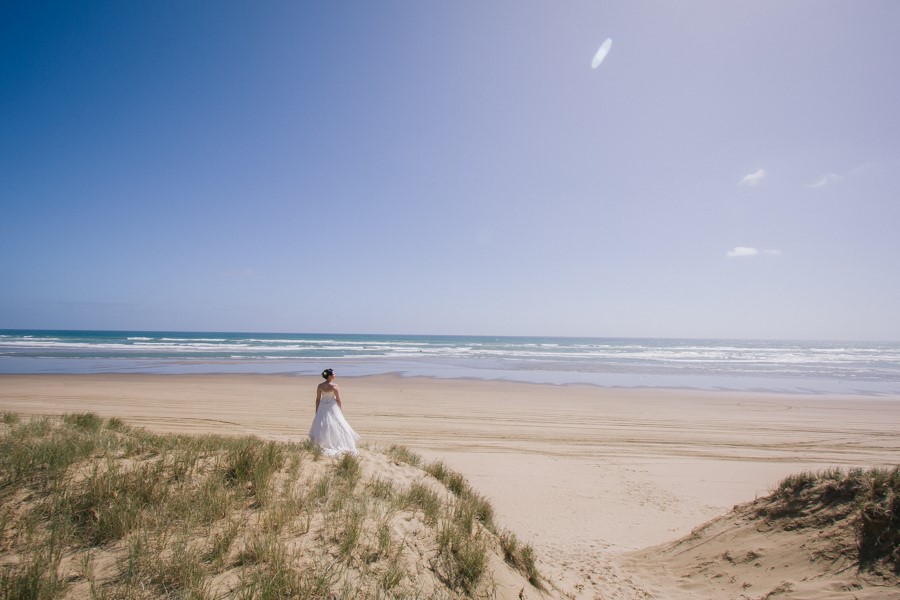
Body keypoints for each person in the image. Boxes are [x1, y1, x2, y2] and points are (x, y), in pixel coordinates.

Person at [308, 368, 360, 456]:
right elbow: (338, 399)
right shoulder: (334, 386)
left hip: (322, 406)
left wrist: (317, 410)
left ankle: (322, 443)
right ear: (329, 376)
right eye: (334, 374)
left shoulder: (320, 386)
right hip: (332, 406)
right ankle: (336, 442)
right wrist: (340, 410)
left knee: (322, 424)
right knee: (337, 424)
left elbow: (317, 399)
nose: (335, 375)